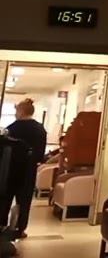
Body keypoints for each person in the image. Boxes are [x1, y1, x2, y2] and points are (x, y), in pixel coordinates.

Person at [3, 99, 47, 239]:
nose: (15, 114)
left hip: (10, 169)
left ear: (21, 111)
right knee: (24, 200)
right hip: (28, 170)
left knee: (5, 198)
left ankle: (2, 225)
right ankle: (20, 229)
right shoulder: (40, 129)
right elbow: (40, 155)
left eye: (16, 111)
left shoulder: (11, 129)